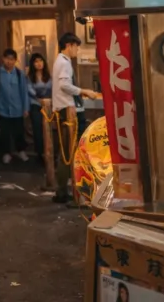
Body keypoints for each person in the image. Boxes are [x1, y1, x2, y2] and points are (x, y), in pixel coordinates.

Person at [51, 33, 101, 203]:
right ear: (69, 45)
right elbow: (64, 85)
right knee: (70, 152)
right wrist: (83, 91)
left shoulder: (62, 61)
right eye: (76, 47)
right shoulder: (63, 62)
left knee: (68, 152)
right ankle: (68, 191)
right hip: (68, 111)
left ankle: (64, 190)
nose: (77, 50)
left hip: (68, 109)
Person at [0, 49, 29, 164]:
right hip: (2, 109)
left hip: (18, 109)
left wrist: (26, 108)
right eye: (7, 59)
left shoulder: (20, 74)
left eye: (12, 59)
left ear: (15, 60)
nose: (9, 61)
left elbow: (24, 92)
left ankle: (21, 151)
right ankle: (6, 153)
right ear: (3, 59)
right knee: (4, 133)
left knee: (19, 132)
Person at [26, 52, 53, 166]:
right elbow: (29, 90)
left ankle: (49, 153)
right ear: (32, 64)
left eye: (40, 61)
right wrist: (39, 99)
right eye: (36, 61)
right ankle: (39, 154)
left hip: (48, 105)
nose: (39, 63)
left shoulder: (48, 75)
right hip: (35, 105)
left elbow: (52, 88)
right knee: (37, 130)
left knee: (48, 130)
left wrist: (47, 100)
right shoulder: (30, 77)